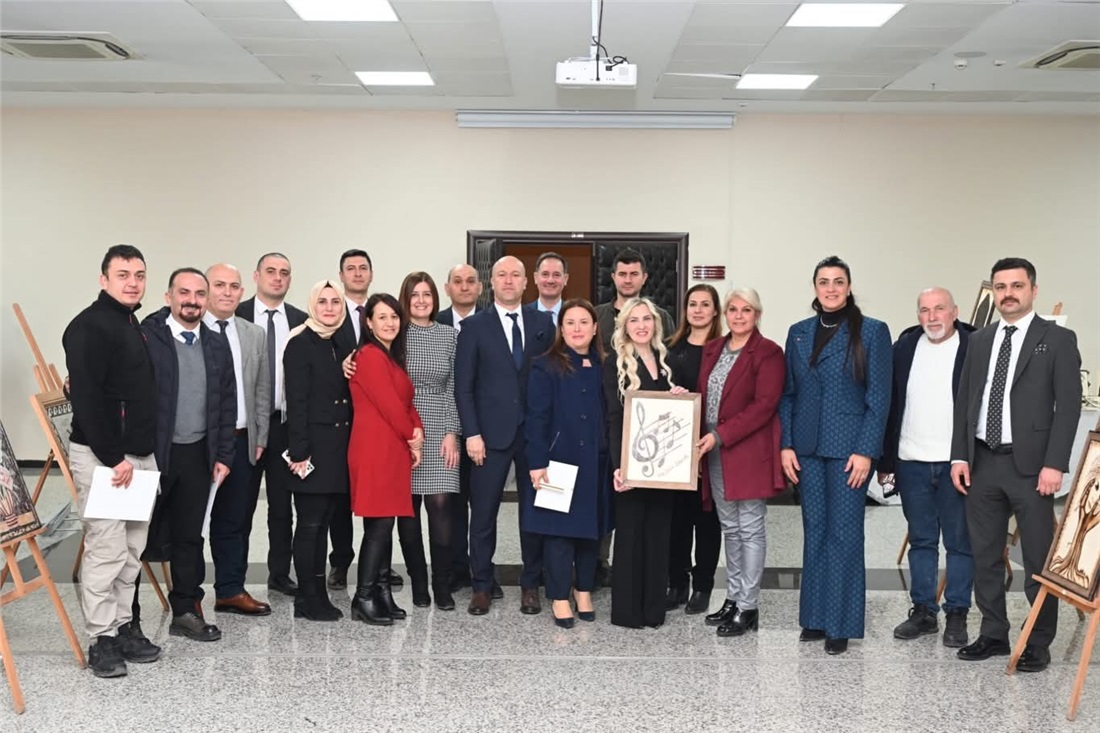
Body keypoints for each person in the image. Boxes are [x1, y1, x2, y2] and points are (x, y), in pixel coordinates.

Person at [950, 257, 1082, 673]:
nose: (1008, 294)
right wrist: (960, 454)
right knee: (985, 555)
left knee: (1037, 559)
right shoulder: (980, 340)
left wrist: (1055, 464)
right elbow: (965, 401)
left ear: (1033, 290)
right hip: (983, 462)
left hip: (1033, 468)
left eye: (1017, 286)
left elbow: (1068, 407)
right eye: (1001, 287)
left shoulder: (1057, 339)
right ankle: (993, 633)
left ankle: (1037, 641)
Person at [779, 255, 892, 655]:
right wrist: (786, 444)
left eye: (838, 281)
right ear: (815, 288)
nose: (831, 288)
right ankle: (814, 617)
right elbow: (788, 395)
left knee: (844, 534)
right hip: (807, 448)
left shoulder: (872, 331)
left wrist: (866, 451)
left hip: (849, 449)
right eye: (824, 282)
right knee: (815, 531)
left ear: (849, 287)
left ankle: (841, 623)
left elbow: (879, 398)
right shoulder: (798, 333)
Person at [63, 244, 161, 677]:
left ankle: (122, 627)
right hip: (108, 460)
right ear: (104, 280)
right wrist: (113, 458)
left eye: (139, 275)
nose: (133, 283)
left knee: (131, 552)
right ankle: (100, 639)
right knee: (106, 549)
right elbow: (85, 398)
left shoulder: (129, 321)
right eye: (123, 275)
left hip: (136, 457)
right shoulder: (89, 326)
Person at [455, 255, 554, 616]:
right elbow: (464, 387)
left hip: (534, 436)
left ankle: (531, 584)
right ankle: (482, 585)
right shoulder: (474, 327)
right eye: (502, 275)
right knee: (483, 515)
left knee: (534, 513)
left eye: (515, 275)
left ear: (526, 282)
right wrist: (472, 433)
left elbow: (554, 377)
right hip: (488, 437)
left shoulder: (543, 323)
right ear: (491, 283)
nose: (509, 281)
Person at [141, 268, 236, 642]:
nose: (192, 300)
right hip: (152, 456)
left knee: (189, 537)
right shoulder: (149, 338)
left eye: (199, 294)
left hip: (198, 455)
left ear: (206, 300)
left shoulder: (215, 344)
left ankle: (185, 610)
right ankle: (127, 620)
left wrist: (224, 454)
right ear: (169, 297)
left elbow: (227, 403)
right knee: (136, 538)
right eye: (184, 292)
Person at [878, 288, 975, 648]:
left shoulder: (973, 346)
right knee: (921, 541)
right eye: (925, 310)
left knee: (960, 544)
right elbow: (890, 404)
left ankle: (957, 613)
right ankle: (923, 611)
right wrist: (886, 461)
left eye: (939, 309)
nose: (932, 317)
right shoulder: (904, 347)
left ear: (955, 312)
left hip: (956, 463)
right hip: (911, 462)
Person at [696, 288, 785, 637]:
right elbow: (704, 396)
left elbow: (764, 406)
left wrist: (720, 435)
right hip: (715, 452)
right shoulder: (713, 349)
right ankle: (733, 598)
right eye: (732, 309)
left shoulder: (768, 353)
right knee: (730, 528)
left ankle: (748, 606)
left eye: (746, 310)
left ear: (757, 315)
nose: (738, 316)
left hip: (747, 452)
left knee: (749, 528)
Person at [526, 299, 612, 628]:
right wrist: (537, 463)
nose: (577, 329)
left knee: (591, 531)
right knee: (559, 534)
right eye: (570, 323)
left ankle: (584, 590)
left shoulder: (606, 365)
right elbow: (536, 419)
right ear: (561, 329)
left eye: (584, 322)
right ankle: (560, 596)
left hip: (597, 462)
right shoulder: (545, 366)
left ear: (595, 328)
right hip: (558, 461)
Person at [594, 249, 674, 583]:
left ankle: (652, 584)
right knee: (614, 516)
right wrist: (618, 460)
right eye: (622, 274)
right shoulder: (598, 316)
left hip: (658, 454)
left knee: (652, 526)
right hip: (616, 439)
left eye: (634, 274)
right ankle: (598, 567)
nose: (628, 279)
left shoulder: (663, 328)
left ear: (644, 278)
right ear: (613, 277)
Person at [605, 297, 683, 629]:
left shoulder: (668, 362)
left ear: (656, 323)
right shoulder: (615, 363)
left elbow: (675, 416)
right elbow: (613, 418)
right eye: (634, 320)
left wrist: (679, 396)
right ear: (624, 326)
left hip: (663, 468)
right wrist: (618, 465)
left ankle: (654, 611)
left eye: (646, 319)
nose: (641, 325)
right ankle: (627, 612)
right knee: (630, 536)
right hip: (631, 466)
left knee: (658, 536)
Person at [347, 293, 424, 626]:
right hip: (375, 449)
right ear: (368, 323)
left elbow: (406, 401)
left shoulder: (390, 357)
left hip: (392, 449)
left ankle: (381, 593)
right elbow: (390, 406)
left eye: (394, 316)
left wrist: (417, 432)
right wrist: (411, 436)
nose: (390, 322)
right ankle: (363, 597)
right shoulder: (368, 356)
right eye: (382, 317)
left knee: (384, 524)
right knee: (379, 526)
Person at [236, 252, 307, 597]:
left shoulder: (302, 320)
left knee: (282, 506)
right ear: (256, 276)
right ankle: (233, 578)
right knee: (240, 505)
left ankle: (279, 573)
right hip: (245, 426)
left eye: (284, 273)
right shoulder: (236, 315)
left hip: (283, 424)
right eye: (271, 271)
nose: (277, 277)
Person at [203, 263, 272, 617]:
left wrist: (261, 433)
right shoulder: (190, 329)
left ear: (243, 292)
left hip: (243, 440)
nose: (227, 292)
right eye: (219, 285)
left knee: (236, 520)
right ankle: (187, 596)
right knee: (192, 522)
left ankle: (230, 589)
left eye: (234, 286)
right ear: (206, 289)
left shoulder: (253, 333)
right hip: (200, 444)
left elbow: (262, 388)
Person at [282, 280, 352, 621]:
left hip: (338, 450)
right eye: (322, 301)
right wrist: (299, 453)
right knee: (309, 525)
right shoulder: (300, 342)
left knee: (324, 522)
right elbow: (296, 402)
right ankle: (308, 597)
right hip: (310, 450)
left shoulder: (342, 341)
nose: (329, 308)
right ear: (312, 305)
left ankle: (317, 593)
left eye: (335, 302)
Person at [400, 272, 461, 611]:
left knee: (440, 506)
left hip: (440, 424)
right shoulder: (396, 333)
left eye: (427, 294)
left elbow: (454, 387)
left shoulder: (450, 335)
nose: (421, 300)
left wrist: (452, 432)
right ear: (405, 299)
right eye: (415, 295)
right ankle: (419, 584)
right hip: (404, 426)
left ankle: (442, 584)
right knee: (407, 510)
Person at [664, 284, 722, 615]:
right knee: (677, 521)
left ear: (715, 311)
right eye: (692, 304)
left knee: (708, 521)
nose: (698, 310)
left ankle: (703, 586)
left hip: (711, 448)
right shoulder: (670, 349)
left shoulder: (724, 350)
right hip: (675, 450)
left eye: (705, 304)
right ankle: (676, 583)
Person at [326, 248, 374, 592]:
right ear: (341, 275)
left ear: (371, 274)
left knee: (376, 492)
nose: (357, 273)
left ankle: (378, 562)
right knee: (339, 497)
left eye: (363, 268)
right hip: (339, 419)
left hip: (375, 419)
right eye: (351, 268)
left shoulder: (382, 313)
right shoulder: (330, 313)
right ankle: (340, 563)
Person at [437, 263, 482, 589]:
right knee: (450, 503)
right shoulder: (432, 322)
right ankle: (455, 568)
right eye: (457, 281)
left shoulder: (492, 322)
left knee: (481, 503)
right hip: (444, 430)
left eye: (470, 281)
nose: (464, 286)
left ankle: (482, 570)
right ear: (447, 288)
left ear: (480, 287)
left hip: (482, 428)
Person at [524, 252, 568, 325]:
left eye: (556, 275)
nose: (550, 280)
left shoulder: (575, 314)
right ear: (535, 278)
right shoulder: (523, 316)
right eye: (545, 274)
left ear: (565, 279)